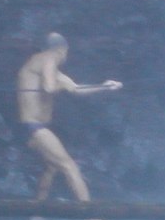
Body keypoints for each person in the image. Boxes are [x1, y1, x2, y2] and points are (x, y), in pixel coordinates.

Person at [15, 32, 121, 203]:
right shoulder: (49, 57)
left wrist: (105, 86)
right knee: (69, 166)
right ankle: (89, 215)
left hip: (30, 127)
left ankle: (36, 211)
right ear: (62, 49)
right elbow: (49, 88)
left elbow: (77, 89)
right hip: (35, 127)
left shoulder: (43, 66)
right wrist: (61, 85)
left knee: (51, 167)